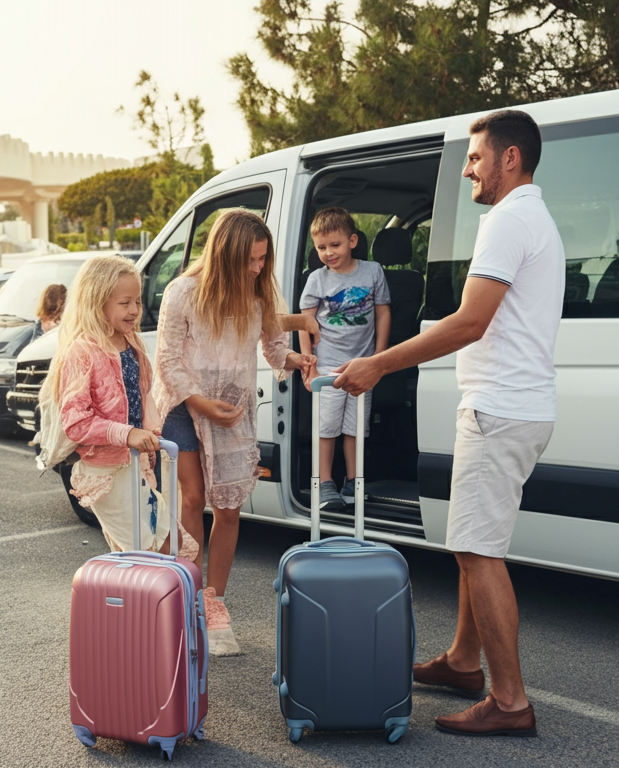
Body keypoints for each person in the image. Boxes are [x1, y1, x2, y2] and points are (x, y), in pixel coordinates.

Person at [332, 110, 563, 737]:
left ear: (510, 158)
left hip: (500, 408)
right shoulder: (534, 217)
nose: (466, 171)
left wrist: (378, 363)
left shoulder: (509, 220)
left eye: (475, 158)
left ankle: (509, 702)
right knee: (473, 542)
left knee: (477, 550)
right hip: (514, 405)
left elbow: (469, 322)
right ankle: (463, 662)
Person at [152, 209, 317, 656]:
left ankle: (214, 602)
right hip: (185, 404)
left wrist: (296, 360)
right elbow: (167, 361)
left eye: (263, 259)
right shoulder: (183, 291)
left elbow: (274, 347)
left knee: (228, 509)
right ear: (225, 255)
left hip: (233, 407)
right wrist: (200, 402)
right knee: (192, 499)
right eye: (251, 260)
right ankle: (189, 600)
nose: (258, 268)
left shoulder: (258, 289)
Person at [45, 255, 167, 554]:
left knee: (164, 542)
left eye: (137, 301)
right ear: (97, 303)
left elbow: (143, 395)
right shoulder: (82, 351)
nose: (135, 310)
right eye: (125, 303)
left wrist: (152, 431)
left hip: (137, 463)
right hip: (106, 471)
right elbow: (77, 422)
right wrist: (127, 434)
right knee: (149, 550)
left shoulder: (132, 342)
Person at [297, 206, 390, 511]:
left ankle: (353, 481)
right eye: (321, 248)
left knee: (356, 428)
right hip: (328, 366)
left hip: (364, 365)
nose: (328, 253)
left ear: (352, 241)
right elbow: (304, 323)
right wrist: (309, 364)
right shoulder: (317, 279)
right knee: (326, 428)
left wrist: (380, 358)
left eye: (335, 245)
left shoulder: (372, 272)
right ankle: (324, 482)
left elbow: (382, 313)